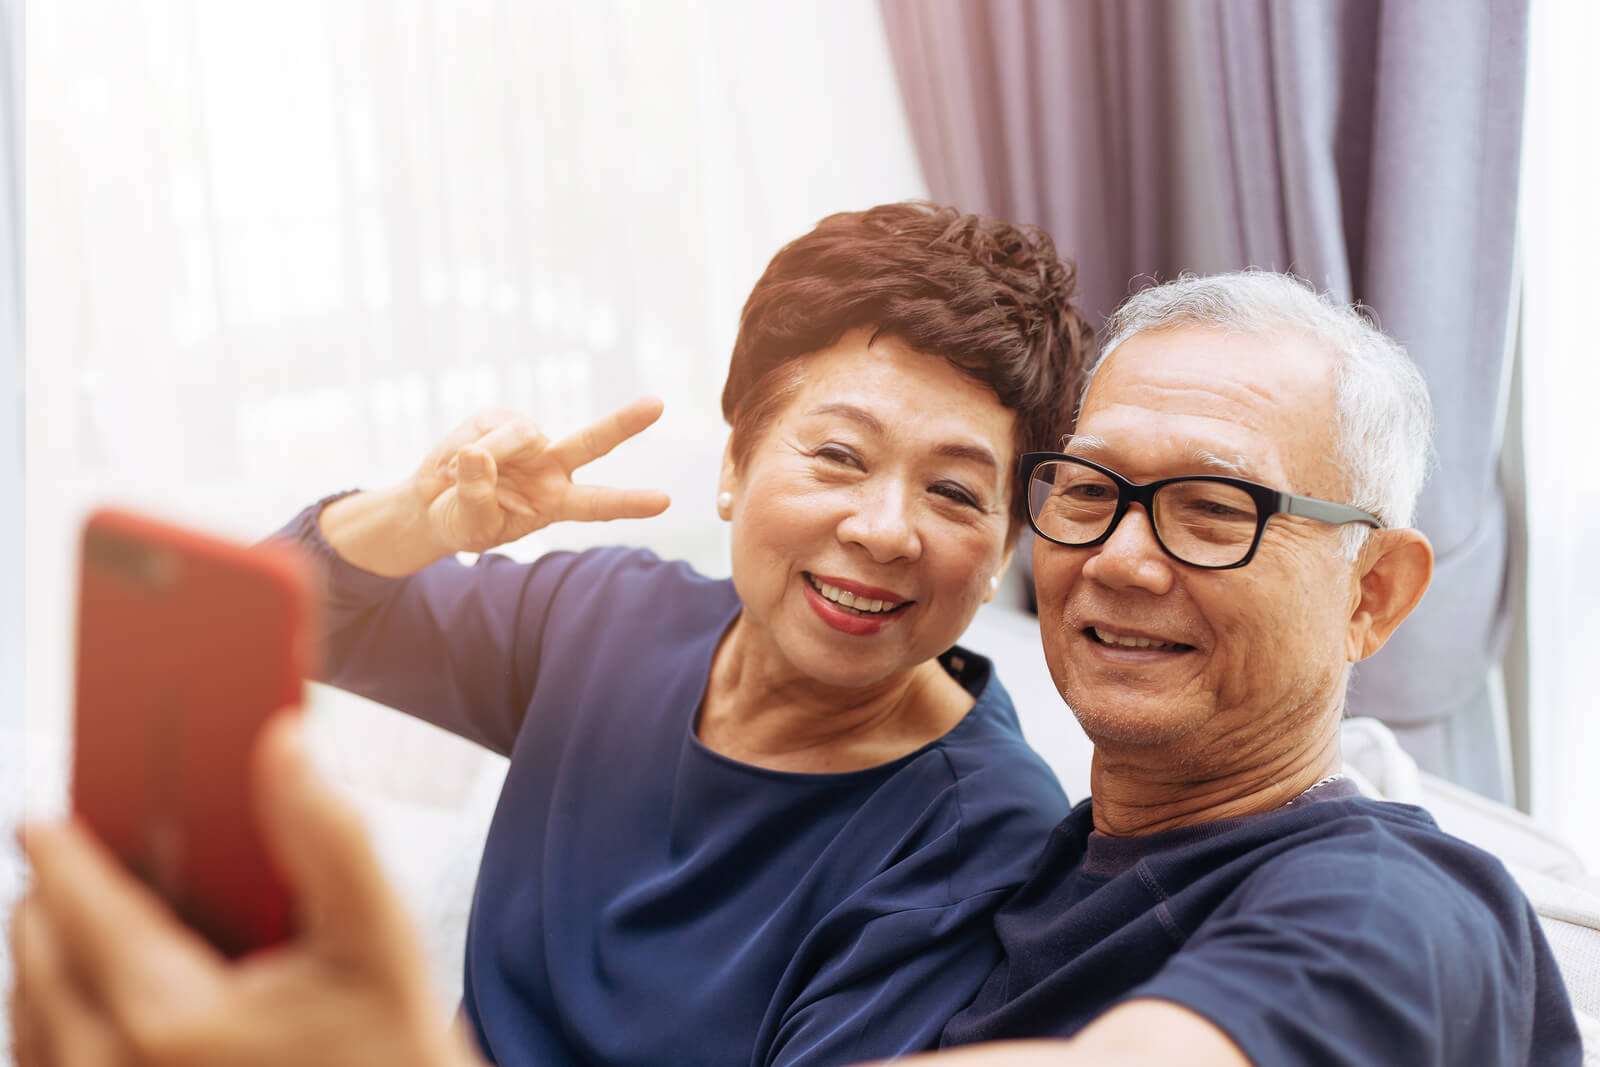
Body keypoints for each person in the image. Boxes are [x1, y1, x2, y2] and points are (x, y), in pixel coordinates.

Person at [12, 201, 1093, 1067]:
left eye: (954, 491)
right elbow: (296, 623)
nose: (884, 528)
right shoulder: (604, 616)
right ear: (732, 465)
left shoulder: (979, 838)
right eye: (839, 456)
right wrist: (412, 517)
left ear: (1004, 542)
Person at [902, 270, 1582, 1064]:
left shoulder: (1396, 902)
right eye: (1088, 489)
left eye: (1218, 507)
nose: (1120, 560)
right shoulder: (1014, 866)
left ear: (1371, 594)